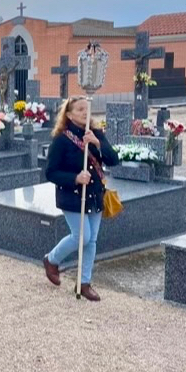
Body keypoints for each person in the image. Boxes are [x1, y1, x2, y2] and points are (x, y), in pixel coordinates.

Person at [42, 96, 119, 301]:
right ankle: (52, 259)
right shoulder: (61, 139)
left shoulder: (96, 133)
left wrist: (98, 143)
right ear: (68, 114)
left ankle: (84, 282)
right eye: (79, 110)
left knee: (91, 239)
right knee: (81, 236)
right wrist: (75, 178)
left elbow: (114, 160)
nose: (85, 113)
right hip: (72, 196)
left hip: (94, 195)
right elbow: (50, 172)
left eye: (87, 109)